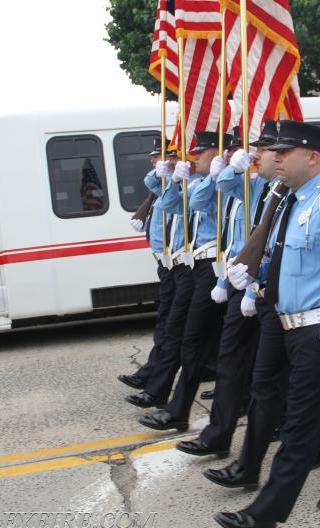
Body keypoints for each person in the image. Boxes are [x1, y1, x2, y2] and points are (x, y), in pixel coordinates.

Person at [214, 120, 320, 528]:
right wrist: (251, 280)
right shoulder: (291, 202)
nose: (275, 158)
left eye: (284, 152)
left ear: (312, 157)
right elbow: (284, 260)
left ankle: (264, 514)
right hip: (293, 326)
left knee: (301, 427)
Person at [174, 123, 274, 456]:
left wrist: (250, 289)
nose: (251, 155)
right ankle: (218, 437)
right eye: (235, 150)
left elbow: (269, 243)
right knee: (233, 361)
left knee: (277, 371)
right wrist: (227, 169)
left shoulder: (265, 187)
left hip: (261, 287)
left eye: (261, 149)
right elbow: (199, 201)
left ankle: (319, 439)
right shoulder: (241, 185)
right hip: (236, 280)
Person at [138, 131, 231, 432]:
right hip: (194, 265)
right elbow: (169, 204)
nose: (193, 157)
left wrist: (218, 176)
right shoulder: (202, 182)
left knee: (199, 341)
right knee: (191, 337)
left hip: (216, 267)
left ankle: (179, 407)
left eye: (200, 152)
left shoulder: (229, 184)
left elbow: (200, 203)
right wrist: (173, 179)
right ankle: (175, 405)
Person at [118, 139, 178, 395]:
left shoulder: (180, 184)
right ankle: (151, 375)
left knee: (170, 325)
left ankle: (151, 376)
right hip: (165, 262)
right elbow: (150, 182)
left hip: (178, 262)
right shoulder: (163, 183)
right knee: (173, 324)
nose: (155, 161)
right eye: (155, 157)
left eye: (160, 156)